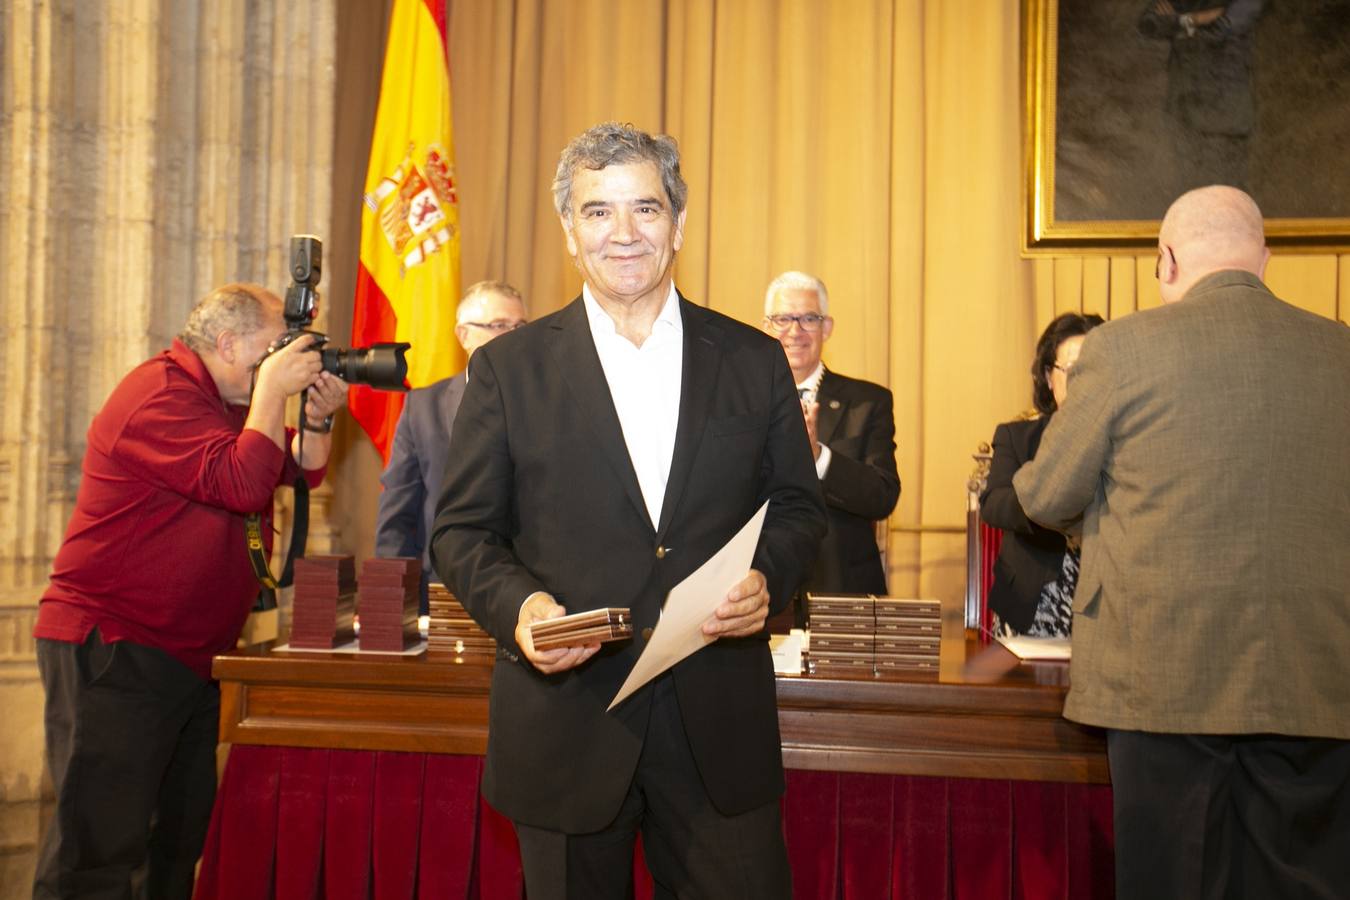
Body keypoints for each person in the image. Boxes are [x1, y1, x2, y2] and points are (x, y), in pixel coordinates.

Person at [430, 122, 826, 899]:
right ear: (570, 235)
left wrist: (766, 578)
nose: (623, 233)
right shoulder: (508, 370)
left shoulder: (751, 360)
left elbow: (798, 510)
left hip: (717, 718)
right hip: (566, 720)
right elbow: (461, 532)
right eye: (598, 212)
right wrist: (523, 610)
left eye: (645, 208)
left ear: (678, 224)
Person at [1013, 186, 1350, 899]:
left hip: (1161, 677)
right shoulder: (1340, 353)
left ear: (1165, 259)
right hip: (1318, 675)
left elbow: (1043, 495)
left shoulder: (1122, 349)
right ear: (1263, 259)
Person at [32, 283, 348, 900]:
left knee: (176, 845)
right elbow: (239, 482)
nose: (274, 368)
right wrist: (272, 393)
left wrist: (314, 416)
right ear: (226, 343)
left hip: (189, 658)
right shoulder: (158, 394)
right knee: (95, 854)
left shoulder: (225, 400)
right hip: (117, 650)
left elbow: (297, 469)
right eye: (266, 355)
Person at [374, 280, 527, 612]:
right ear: (463, 335)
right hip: (441, 592)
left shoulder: (544, 403)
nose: (514, 336)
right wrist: (390, 604)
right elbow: (398, 510)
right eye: (499, 326)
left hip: (526, 594)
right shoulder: (423, 407)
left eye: (520, 326)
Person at [761, 272, 900, 622]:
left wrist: (819, 457)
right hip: (756, 593)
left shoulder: (867, 402)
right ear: (766, 327)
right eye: (783, 319)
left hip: (841, 595)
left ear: (827, 327)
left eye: (809, 318)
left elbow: (883, 495)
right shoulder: (736, 403)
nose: (795, 331)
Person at [979, 312, 1102, 637]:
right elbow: (993, 504)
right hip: (1032, 601)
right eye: (1073, 369)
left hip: (1107, 601)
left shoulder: (1125, 442)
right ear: (1049, 376)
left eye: (1093, 369)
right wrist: (1048, 505)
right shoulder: (1018, 437)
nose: (1082, 380)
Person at [1138, 1, 1264, 195]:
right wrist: (1193, 19)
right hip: (1183, 108)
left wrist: (1176, 23)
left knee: (1227, 196)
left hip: (1226, 111)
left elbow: (1221, 31)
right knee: (1189, 193)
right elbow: (1148, 24)